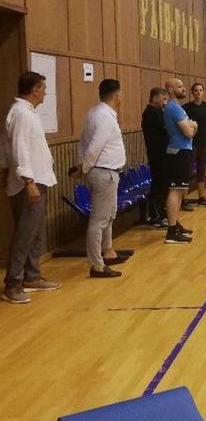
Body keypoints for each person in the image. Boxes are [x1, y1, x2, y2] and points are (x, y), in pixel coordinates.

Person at [0, 72, 61, 304]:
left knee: (35, 232)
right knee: (25, 234)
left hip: (38, 180)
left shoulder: (28, 112)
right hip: (28, 184)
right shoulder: (21, 113)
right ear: (35, 89)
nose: (45, 92)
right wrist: (28, 180)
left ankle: (31, 276)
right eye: (43, 88)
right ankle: (12, 284)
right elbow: (19, 149)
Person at [76, 79, 127, 278]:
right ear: (117, 95)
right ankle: (97, 265)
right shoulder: (104, 117)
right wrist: (84, 167)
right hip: (104, 172)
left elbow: (82, 142)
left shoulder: (94, 113)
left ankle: (108, 251)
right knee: (98, 220)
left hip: (106, 172)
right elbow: (94, 147)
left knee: (108, 215)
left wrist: (82, 165)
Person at [163, 78, 198, 244]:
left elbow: (190, 131)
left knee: (180, 189)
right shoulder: (173, 108)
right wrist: (194, 125)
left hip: (183, 150)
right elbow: (189, 132)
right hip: (178, 151)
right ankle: (171, 231)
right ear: (170, 90)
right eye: (179, 86)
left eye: (183, 86)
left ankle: (175, 223)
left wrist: (192, 126)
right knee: (175, 190)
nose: (183, 89)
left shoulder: (178, 108)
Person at [183, 83, 206, 207]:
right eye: (196, 90)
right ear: (192, 92)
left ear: (203, 92)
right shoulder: (187, 107)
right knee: (187, 170)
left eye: (201, 90)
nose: (198, 92)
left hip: (203, 142)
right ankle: (183, 199)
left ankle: (202, 197)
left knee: (201, 170)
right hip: (191, 143)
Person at [141, 87, 169, 228]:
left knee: (163, 183)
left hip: (162, 153)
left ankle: (161, 212)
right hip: (157, 153)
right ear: (155, 98)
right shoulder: (151, 113)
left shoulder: (158, 112)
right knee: (158, 183)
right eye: (163, 99)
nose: (165, 103)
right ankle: (155, 215)